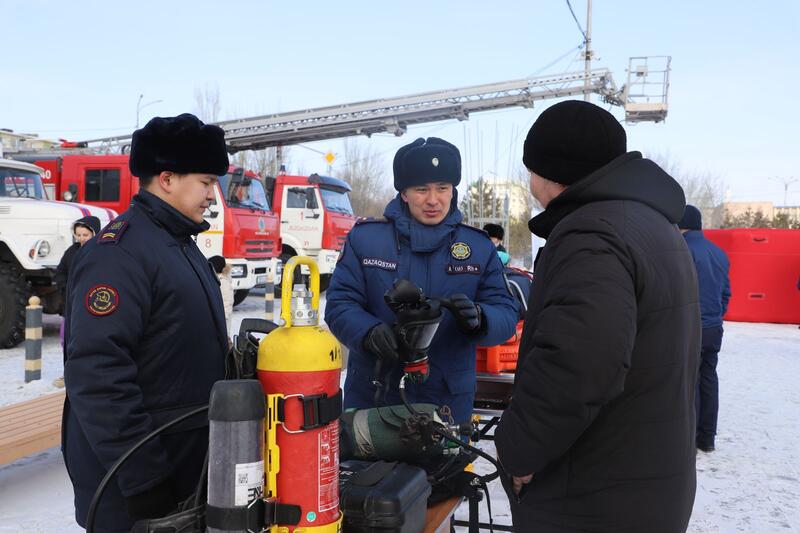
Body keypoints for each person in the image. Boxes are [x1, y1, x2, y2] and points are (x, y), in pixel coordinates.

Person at [495, 100, 700, 533]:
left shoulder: (590, 234)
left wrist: (518, 451)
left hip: (594, 495)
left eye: (530, 169)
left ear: (547, 172)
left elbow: (578, 364)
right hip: (645, 481)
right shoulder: (652, 225)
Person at [62, 113, 230, 533]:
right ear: (167, 178)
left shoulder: (178, 243)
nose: (212, 195)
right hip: (134, 485)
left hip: (180, 468)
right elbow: (98, 374)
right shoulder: (119, 254)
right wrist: (144, 479)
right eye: (206, 182)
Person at [325, 137, 518, 424]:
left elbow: (506, 312)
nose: (433, 200)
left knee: (447, 456)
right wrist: (369, 332)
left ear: (453, 190)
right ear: (403, 193)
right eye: (421, 189)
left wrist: (481, 318)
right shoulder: (366, 240)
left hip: (448, 401)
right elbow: (340, 304)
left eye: (442, 188)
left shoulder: (478, 247)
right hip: (375, 396)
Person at [678, 204, 731, 452]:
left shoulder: (681, 250)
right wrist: (715, 316)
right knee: (709, 378)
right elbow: (726, 293)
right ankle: (707, 438)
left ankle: (689, 437)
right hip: (713, 327)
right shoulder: (719, 253)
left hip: (690, 326)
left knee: (690, 380)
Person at [52, 215, 101, 388]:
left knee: (88, 340)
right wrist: (65, 288)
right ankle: (69, 374)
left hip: (91, 305)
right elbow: (60, 272)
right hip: (71, 304)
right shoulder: (71, 252)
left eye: (85, 235)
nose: (81, 238)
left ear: (94, 233)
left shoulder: (101, 252)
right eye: (78, 235)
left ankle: (89, 374)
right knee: (67, 340)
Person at [209, 255, 234, 338]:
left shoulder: (223, 282)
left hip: (222, 323)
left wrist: (221, 319)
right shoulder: (214, 279)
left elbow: (227, 302)